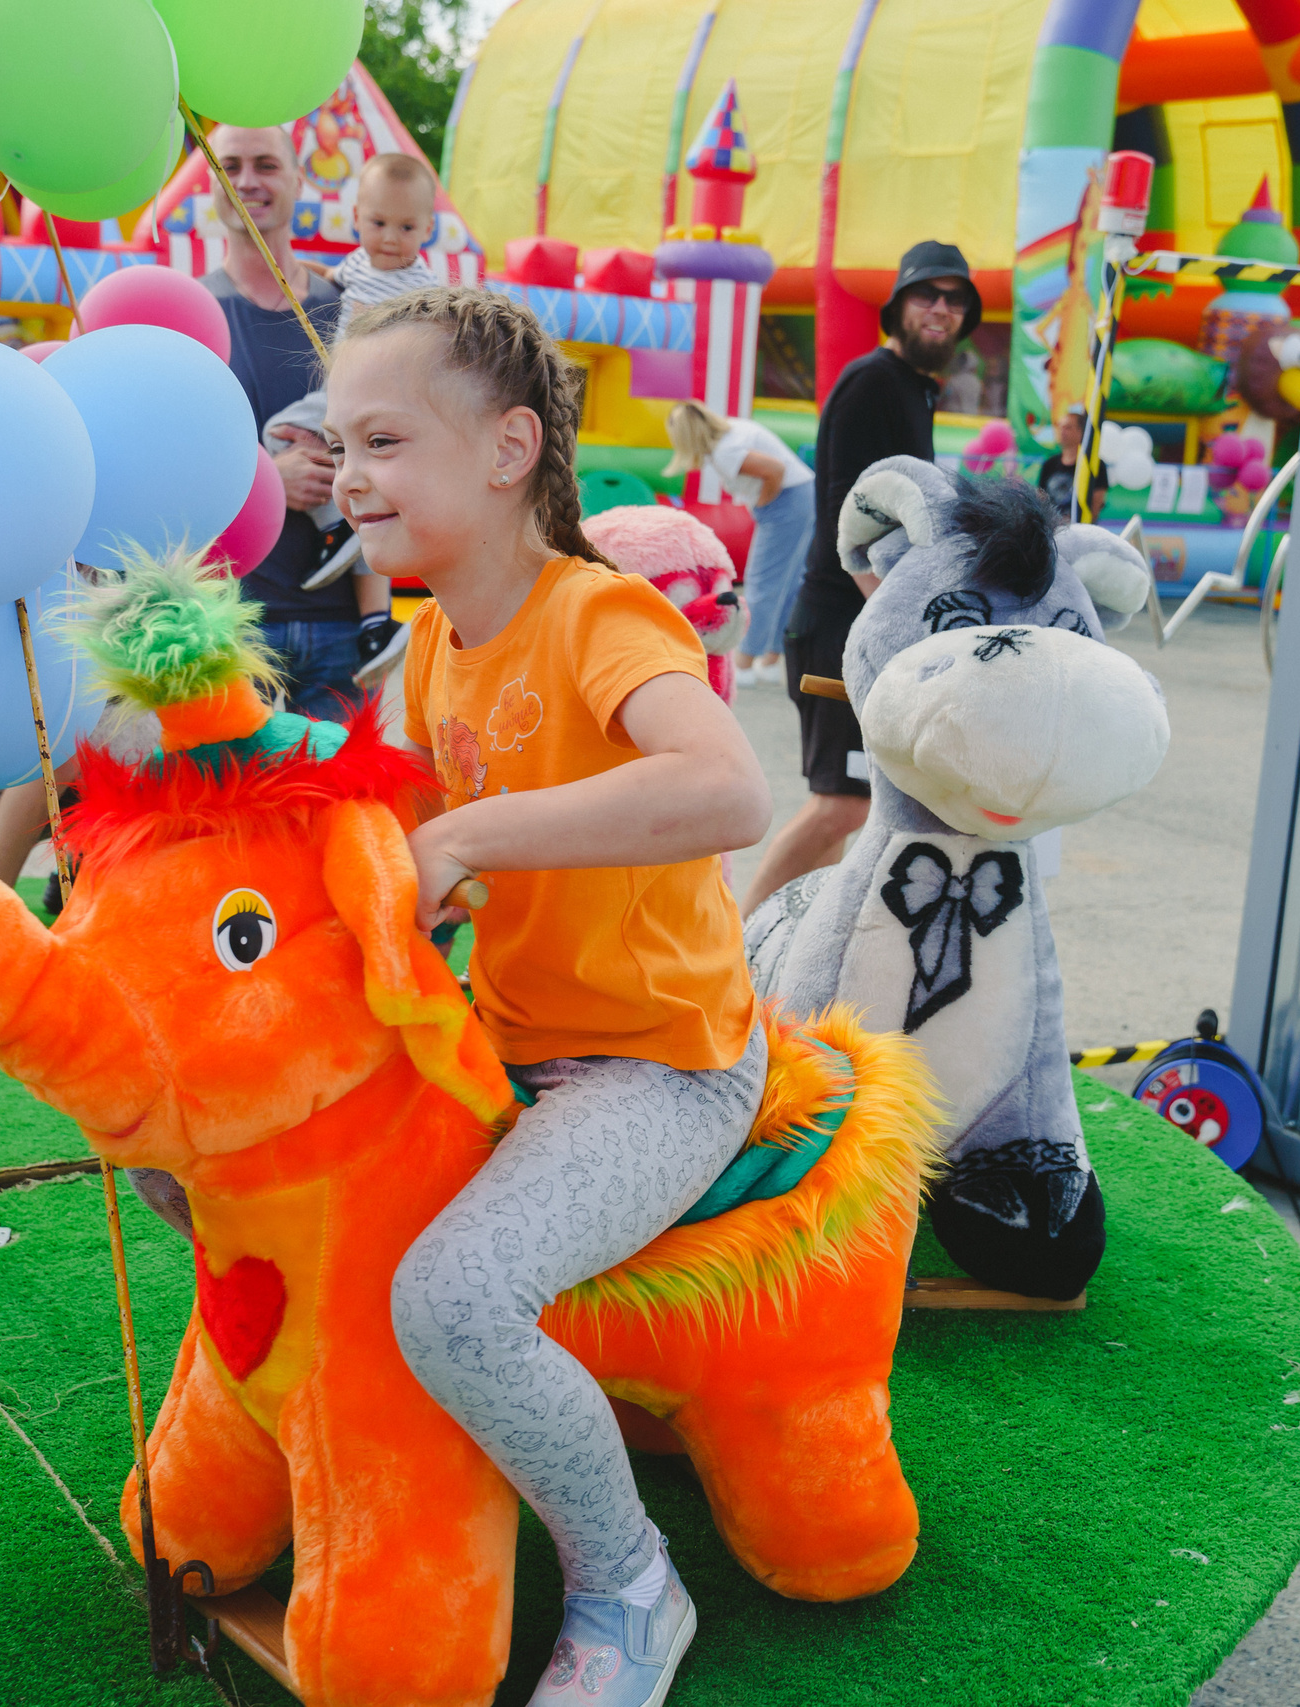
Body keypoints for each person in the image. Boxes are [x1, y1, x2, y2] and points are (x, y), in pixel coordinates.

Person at [324, 286, 772, 1707]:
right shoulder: (437, 638)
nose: (348, 474)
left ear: (511, 448)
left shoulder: (599, 611)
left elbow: (727, 787)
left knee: (456, 1296)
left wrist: (466, 839)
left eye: (384, 438)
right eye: (339, 441)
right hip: (512, 1039)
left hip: (659, 1062)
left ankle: (630, 1580)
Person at [736, 240, 978, 920]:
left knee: (864, 810)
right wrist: (893, 618)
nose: (941, 309)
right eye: (927, 295)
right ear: (897, 306)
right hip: (842, 624)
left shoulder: (915, 391)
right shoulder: (873, 380)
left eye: (955, 300)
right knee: (842, 804)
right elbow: (851, 514)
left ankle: (789, 943)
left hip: (868, 627)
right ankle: (733, 943)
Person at [201, 123, 400, 715]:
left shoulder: (349, 309)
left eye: (265, 164)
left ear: (297, 178)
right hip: (231, 623)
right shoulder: (191, 312)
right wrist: (266, 479)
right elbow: (163, 468)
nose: (247, 181)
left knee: (344, 808)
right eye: (230, 165)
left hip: (347, 630)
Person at [662, 399, 814, 686]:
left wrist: (764, 504)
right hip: (803, 495)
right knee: (788, 583)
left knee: (762, 582)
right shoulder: (734, 431)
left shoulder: (725, 450)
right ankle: (770, 658)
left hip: (786, 502)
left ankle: (743, 664)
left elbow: (774, 470)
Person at [321, 151, 440, 306]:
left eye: (406, 227)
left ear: (427, 230)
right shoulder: (357, 262)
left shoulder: (426, 289)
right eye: (379, 223)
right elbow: (326, 274)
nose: (390, 239)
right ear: (357, 218)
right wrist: (290, 268)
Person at [1038, 404, 1087, 514]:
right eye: (1060, 427)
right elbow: (1041, 497)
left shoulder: (1091, 465)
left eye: (1068, 427)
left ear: (1081, 432)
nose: (1062, 431)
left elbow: (1096, 502)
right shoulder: (1049, 464)